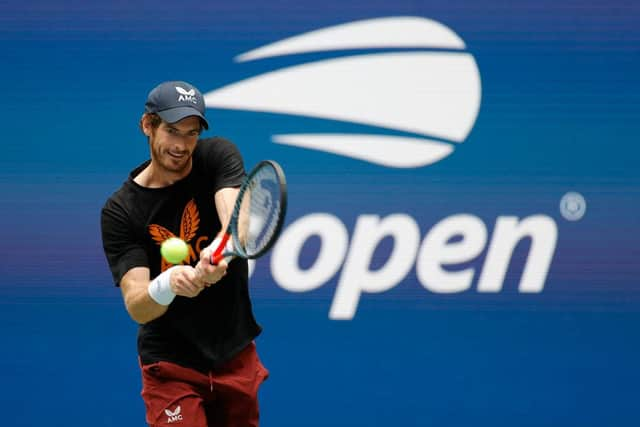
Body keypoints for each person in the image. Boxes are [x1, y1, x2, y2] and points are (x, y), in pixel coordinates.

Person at [100, 80, 268, 427]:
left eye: (191, 133)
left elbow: (238, 222)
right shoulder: (121, 211)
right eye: (172, 131)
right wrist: (169, 284)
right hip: (171, 366)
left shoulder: (217, 156)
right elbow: (138, 305)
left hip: (233, 354)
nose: (181, 145)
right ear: (148, 125)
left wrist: (220, 253)